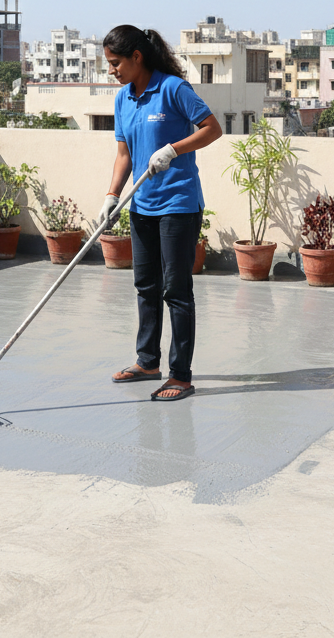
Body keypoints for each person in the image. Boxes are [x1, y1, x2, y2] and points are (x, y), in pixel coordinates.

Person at [96, 25, 222, 402]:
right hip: (142, 205)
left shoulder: (172, 89)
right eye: (109, 64)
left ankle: (180, 374)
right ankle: (148, 360)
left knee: (176, 291)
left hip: (178, 205)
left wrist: (174, 149)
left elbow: (212, 129)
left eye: (116, 63)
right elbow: (124, 154)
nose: (112, 70)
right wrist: (111, 194)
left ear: (138, 57)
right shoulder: (123, 99)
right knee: (145, 285)